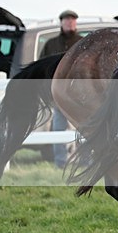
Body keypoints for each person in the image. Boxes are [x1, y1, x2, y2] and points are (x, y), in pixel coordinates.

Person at [40, 10, 83, 168]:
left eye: (72, 20)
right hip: (57, 94)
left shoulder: (82, 43)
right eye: (67, 20)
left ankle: (80, 161)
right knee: (58, 128)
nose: (70, 23)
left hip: (78, 95)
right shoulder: (51, 44)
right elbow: (43, 67)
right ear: (61, 22)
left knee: (80, 128)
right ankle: (60, 162)